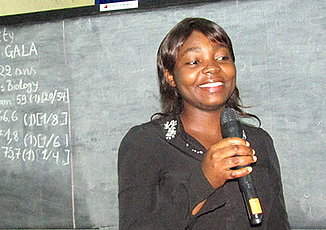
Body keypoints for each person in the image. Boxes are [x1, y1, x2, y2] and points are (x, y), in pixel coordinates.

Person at [117, 18, 290, 229]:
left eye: (222, 57)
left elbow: (277, 223)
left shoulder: (259, 141)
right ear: (171, 76)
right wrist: (205, 179)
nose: (212, 68)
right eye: (194, 62)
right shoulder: (145, 143)